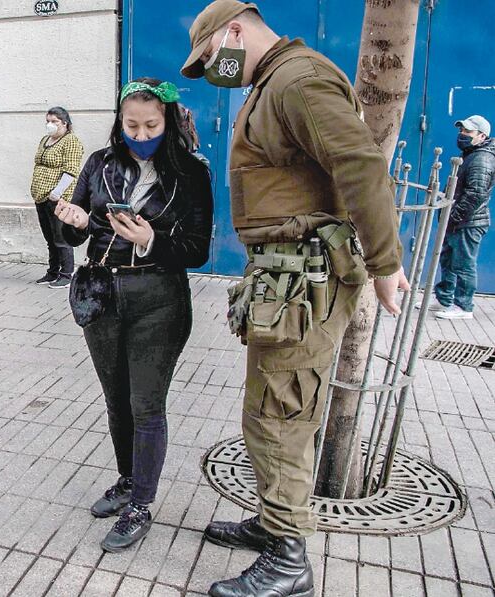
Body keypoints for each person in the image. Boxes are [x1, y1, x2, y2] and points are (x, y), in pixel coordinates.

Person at [181, 2, 407, 596]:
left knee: (282, 411)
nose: (213, 73)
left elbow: (359, 163)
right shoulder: (275, 78)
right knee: (268, 406)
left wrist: (386, 264)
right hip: (286, 277)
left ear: (233, 31)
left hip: (307, 279)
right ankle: (270, 523)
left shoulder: (298, 79)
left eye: (211, 59)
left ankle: (288, 559)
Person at [54, 78, 213, 552]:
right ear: (118, 122)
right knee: (116, 401)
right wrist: (74, 221)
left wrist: (149, 239)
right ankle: (127, 479)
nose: (140, 133)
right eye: (131, 125)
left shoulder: (190, 172)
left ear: (168, 123)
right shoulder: (99, 163)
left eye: (151, 125)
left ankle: (141, 502)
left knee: (146, 405)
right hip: (103, 294)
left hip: (158, 298)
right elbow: (72, 236)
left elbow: (198, 250)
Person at [428, 115, 495, 320]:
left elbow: (476, 193)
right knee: (448, 260)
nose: (462, 135)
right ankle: (444, 298)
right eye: (461, 131)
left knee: (464, 264)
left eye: (468, 132)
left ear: (481, 136)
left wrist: (454, 217)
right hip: (459, 220)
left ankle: (464, 306)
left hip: (469, 222)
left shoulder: (482, 158)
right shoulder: (471, 154)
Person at [30, 106, 85, 289]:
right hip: (41, 197)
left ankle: (66, 274)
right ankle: (52, 271)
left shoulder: (71, 141)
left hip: (58, 198)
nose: (50, 125)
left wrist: (58, 191)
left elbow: (71, 169)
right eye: (48, 121)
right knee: (49, 237)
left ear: (65, 123)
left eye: (54, 121)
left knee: (61, 237)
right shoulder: (45, 140)